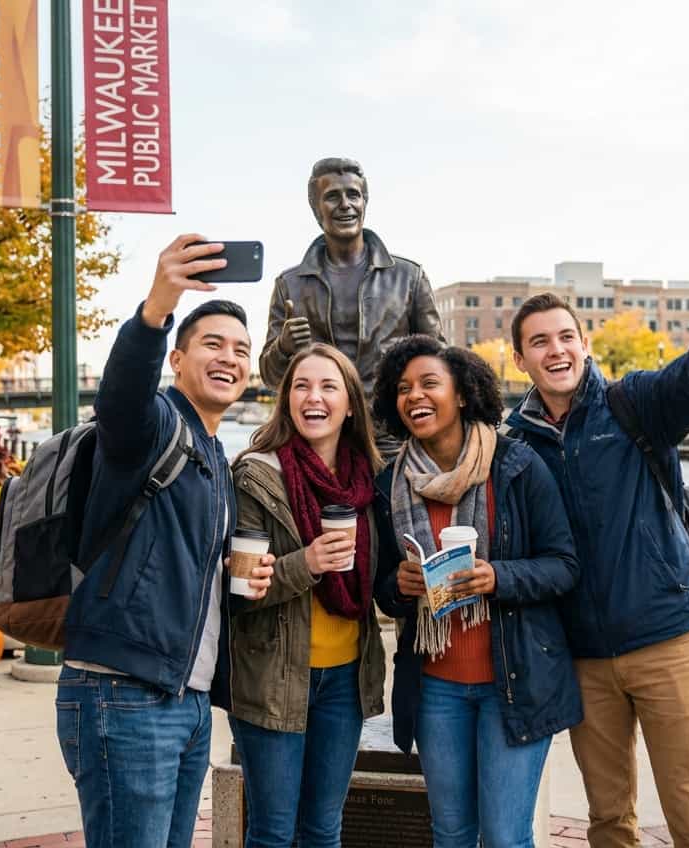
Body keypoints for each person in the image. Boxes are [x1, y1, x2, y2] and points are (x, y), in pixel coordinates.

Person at [503, 277, 689, 848]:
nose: (555, 350)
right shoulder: (516, 446)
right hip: (582, 656)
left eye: (566, 337)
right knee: (608, 820)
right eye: (539, 342)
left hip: (663, 638)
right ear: (519, 360)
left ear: (584, 345)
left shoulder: (633, 404)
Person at [54, 236, 275, 847]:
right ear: (177, 360)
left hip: (186, 697)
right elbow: (120, 396)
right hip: (124, 692)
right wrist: (157, 307)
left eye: (241, 350)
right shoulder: (151, 424)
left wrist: (237, 572)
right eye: (212, 345)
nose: (229, 358)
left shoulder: (213, 453)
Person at [372, 335, 581, 848]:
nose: (414, 396)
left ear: (462, 393)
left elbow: (564, 565)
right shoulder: (388, 484)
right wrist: (398, 587)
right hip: (436, 688)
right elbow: (383, 590)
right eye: (402, 388)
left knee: (507, 838)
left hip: (512, 683)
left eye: (428, 383)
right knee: (451, 834)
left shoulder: (516, 466)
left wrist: (499, 577)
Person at [228, 343, 388, 847]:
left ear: (349, 403)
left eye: (327, 386)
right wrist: (309, 562)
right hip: (273, 677)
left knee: (323, 830)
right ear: (286, 399)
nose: (313, 397)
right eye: (301, 385)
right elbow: (240, 589)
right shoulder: (256, 474)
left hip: (345, 679)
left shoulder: (369, 480)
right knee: (273, 832)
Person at [259, 157, 443, 454]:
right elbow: (270, 377)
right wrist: (284, 348)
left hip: (394, 444)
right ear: (316, 208)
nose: (345, 204)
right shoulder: (289, 285)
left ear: (365, 202)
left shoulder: (408, 277)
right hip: (321, 446)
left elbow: (438, 364)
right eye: (332, 196)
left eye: (353, 195)